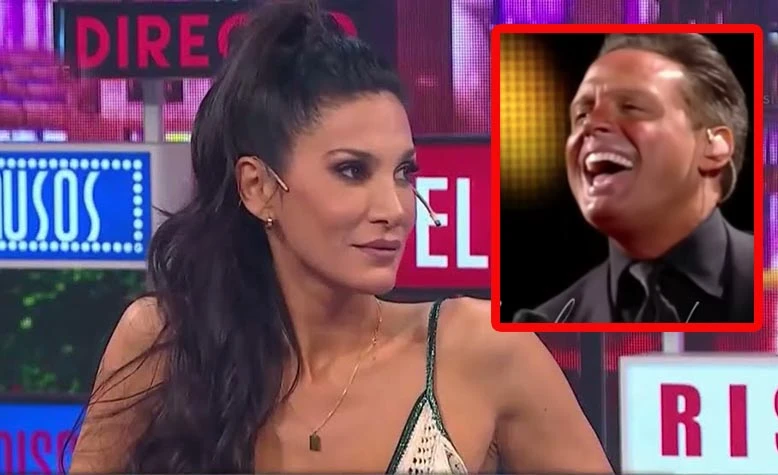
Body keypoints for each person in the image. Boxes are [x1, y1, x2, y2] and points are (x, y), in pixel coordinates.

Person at [66, 1, 612, 473]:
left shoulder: (483, 350)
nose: (394, 209)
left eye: (404, 172)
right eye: (352, 171)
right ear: (258, 188)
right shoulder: (166, 343)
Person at [520, 33, 753, 324]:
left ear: (714, 147)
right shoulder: (542, 328)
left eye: (631, 107)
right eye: (581, 115)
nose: (591, 124)